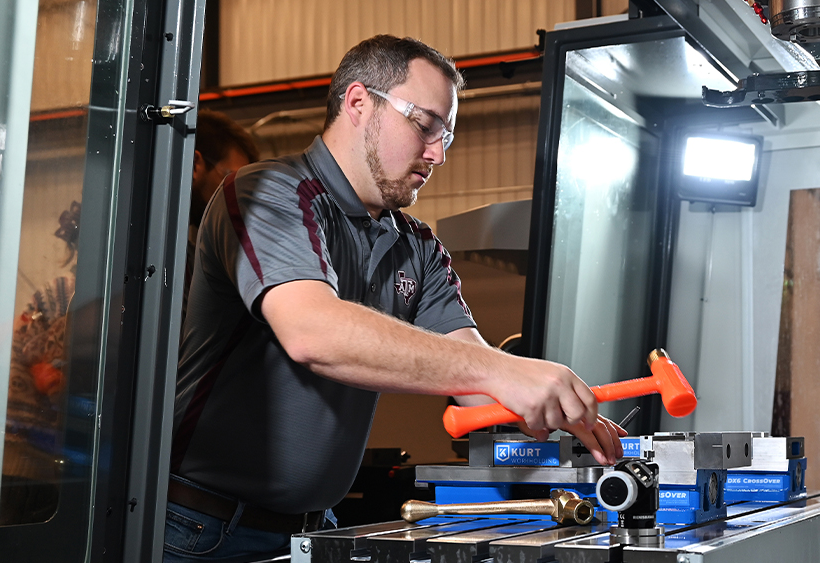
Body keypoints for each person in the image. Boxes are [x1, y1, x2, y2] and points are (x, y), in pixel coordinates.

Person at [165, 35, 625, 563]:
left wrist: (558, 408)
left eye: (446, 135)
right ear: (359, 102)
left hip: (314, 530)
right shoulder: (266, 192)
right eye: (424, 124)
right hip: (202, 529)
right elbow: (313, 333)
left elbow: (475, 380)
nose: (438, 154)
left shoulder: (417, 245)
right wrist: (504, 373)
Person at [183, 110, 260, 315]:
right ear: (194, 165)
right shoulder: (153, 249)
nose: (239, 200)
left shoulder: (189, 255)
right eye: (233, 182)